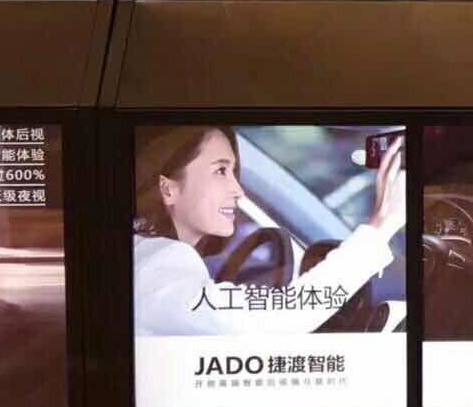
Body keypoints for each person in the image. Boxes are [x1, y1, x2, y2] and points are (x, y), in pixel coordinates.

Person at [132, 126, 405, 336]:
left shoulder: (146, 257)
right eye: (220, 171)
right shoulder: (156, 264)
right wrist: (382, 225)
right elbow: (285, 313)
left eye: (234, 171)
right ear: (168, 189)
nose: (238, 190)